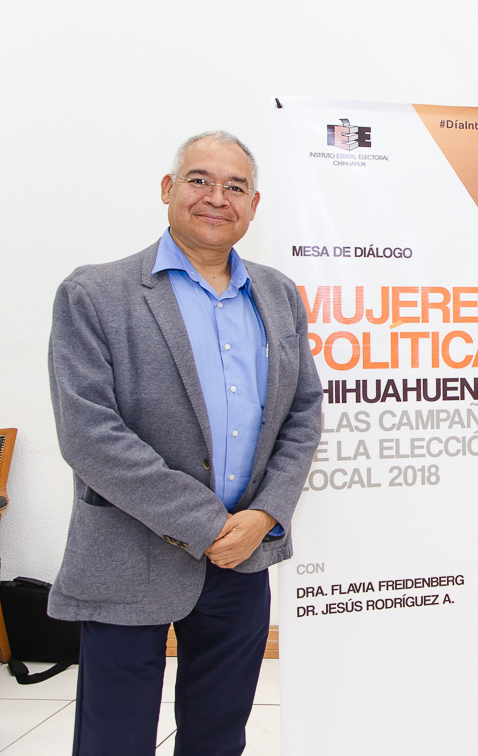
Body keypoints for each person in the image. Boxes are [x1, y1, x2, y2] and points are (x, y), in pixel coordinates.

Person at [47, 131, 323, 755]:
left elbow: (303, 411)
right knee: (114, 739)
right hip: (128, 553)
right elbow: (89, 433)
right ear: (168, 189)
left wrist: (265, 515)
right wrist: (210, 524)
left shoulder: (278, 294)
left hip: (241, 556)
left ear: (254, 205)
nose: (217, 197)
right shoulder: (94, 293)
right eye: (200, 180)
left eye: (235, 187)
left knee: (218, 737)